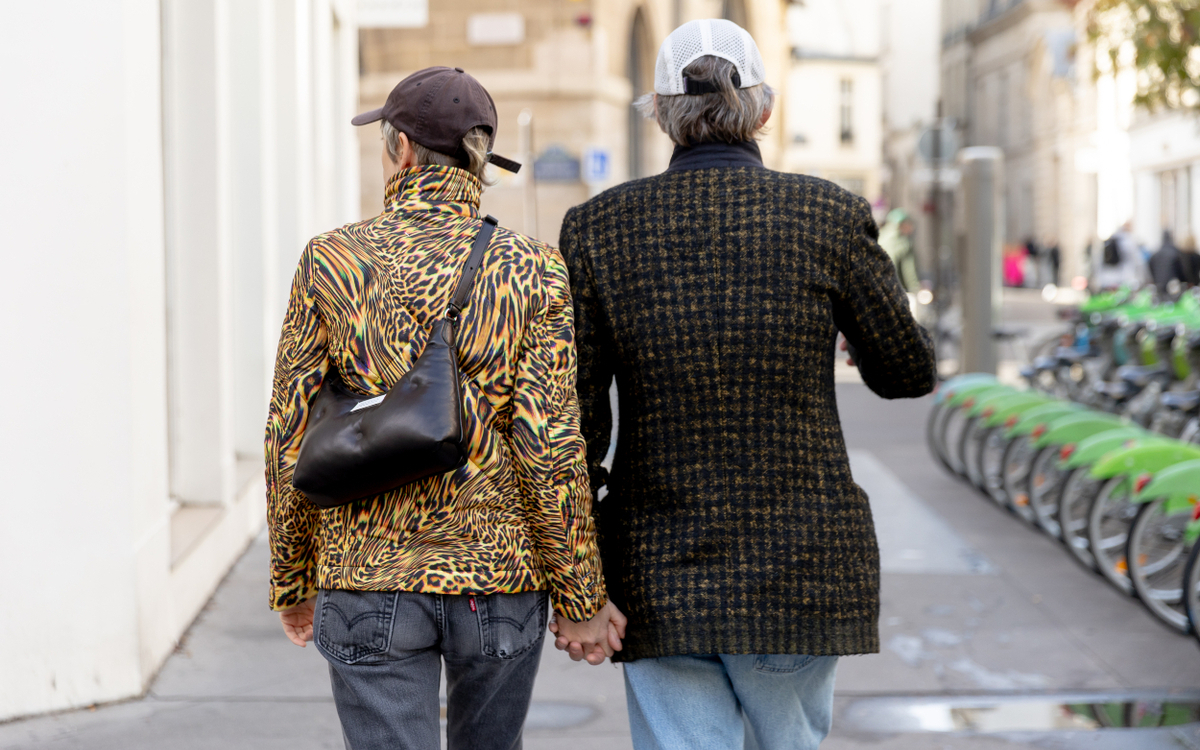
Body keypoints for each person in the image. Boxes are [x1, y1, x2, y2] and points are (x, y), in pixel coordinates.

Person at [553, 19, 937, 750]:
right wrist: (852, 333)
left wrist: (578, 581)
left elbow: (575, 430)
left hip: (657, 571)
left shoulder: (599, 229)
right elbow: (907, 373)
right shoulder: (827, 213)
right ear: (762, 110)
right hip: (798, 569)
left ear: (663, 115)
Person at [264, 66, 626, 750]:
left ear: (399, 150)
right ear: (481, 159)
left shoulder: (331, 261)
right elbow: (551, 446)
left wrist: (294, 577)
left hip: (366, 574)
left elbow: (288, 436)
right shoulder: (531, 268)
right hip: (497, 584)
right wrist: (581, 595)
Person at [877, 208, 920, 293]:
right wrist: (915, 289)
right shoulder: (904, 243)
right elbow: (908, 270)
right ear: (901, 225)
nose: (911, 228)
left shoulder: (880, 236)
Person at [1096, 221, 1143, 290]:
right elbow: (1137, 260)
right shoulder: (1128, 241)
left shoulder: (1109, 241)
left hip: (1107, 277)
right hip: (1124, 277)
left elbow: (1100, 261)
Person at [1148, 229, 1186, 293]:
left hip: (1159, 283)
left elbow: (1151, 267)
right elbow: (1181, 270)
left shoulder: (1156, 254)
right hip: (1173, 285)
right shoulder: (1175, 253)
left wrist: (1155, 279)